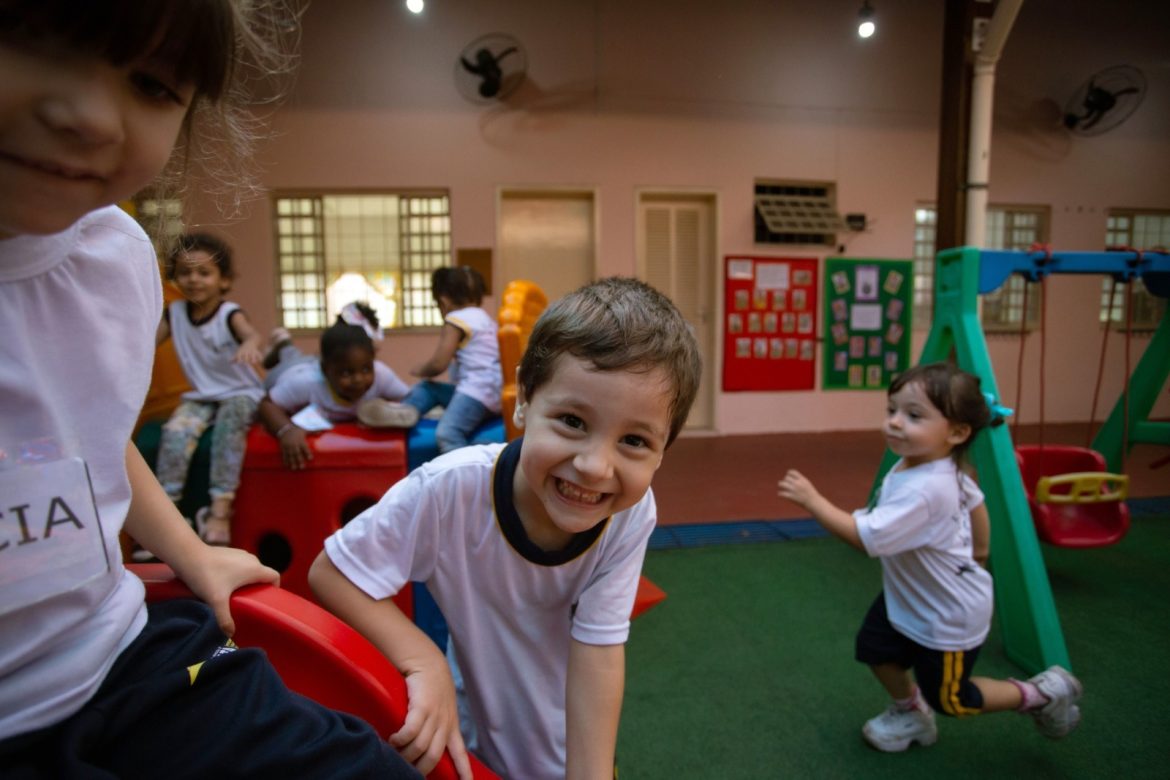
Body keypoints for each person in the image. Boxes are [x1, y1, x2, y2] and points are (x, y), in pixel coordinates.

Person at [0, 2, 420, 776]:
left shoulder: (115, 256)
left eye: (153, 85)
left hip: (122, 667)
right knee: (195, 427)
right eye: (35, 42)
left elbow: (86, 436)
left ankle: (216, 506)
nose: (93, 116)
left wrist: (193, 550)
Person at [309, 277, 703, 779]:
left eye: (634, 440)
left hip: (572, 750)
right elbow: (334, 571)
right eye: (573, 422)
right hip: (471, 750)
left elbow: (599, 652)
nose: (595, 467)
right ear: (523, 401)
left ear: (664, 448)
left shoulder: (630, 512)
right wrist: (422, 660)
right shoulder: (450, 490)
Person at [777, 362, 1083, 753]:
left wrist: (813, 500)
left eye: (914, 415)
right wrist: (980, 553)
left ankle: (1039, 693)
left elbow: (863, 539)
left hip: (946, 616)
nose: (895, 423)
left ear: (956, 432)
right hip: (910, 596)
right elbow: (977, 504)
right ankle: (911, 711)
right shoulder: (932, 464)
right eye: (892, 410)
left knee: (953, 699)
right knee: (875, 650)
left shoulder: (926, 488)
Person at [155, 232, 263, 545]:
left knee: (229, 433)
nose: (194, 279)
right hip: (202, 396)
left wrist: (250, 346)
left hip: (240, 392)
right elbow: (145, 344)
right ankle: (170, 515)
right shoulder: (173, 314)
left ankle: (219, 509)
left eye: (204, 272)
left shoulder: (230, 313)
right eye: (185, 272)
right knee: (175, 432)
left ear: (223, 281)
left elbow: (253, 335)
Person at [258, 302, 417, 470]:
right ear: (326, 370)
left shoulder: (380, 374)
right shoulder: (307, 383)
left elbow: (410, 398)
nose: (358, 379)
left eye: (365, 369)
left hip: (315, 367)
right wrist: (285, 430)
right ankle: (282, 343)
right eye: (347, 373)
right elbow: (267, 404)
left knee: (301, 356)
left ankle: (286, 346)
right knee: (290, 357)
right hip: (287, 371)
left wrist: (392, 409)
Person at [402, 266, 502, 454]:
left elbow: (439, 364)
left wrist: (420, 369)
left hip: (476, 394)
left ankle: (461, 472)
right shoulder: (486, 319)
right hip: (494, 394)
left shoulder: (455, 320)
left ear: (444, 301)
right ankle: (405, 412)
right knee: (430, 389)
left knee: (447, 433)